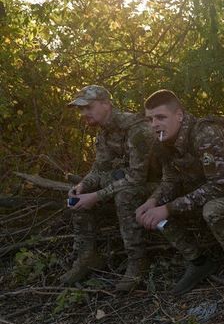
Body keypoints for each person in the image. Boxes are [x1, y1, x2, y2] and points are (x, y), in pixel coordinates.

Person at [136, 89, 224, 295]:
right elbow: (170, 179)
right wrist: (153, 202)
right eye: (150, 119)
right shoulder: (164, 141)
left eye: (160, 117)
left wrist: (168, 208)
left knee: (211, 209)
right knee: (153, 207)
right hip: (217, 195)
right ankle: (198, 261)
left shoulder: (205, 134)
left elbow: (218, 186)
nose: (154, 124)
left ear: (179, 115)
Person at [63, 85, 156, 292]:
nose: (84, 113)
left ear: (106, 104)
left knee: (125, 195)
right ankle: (87, 256)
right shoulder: (104, 133)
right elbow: (99, 169)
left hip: (159, 186)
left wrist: (96, 196)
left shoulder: (136, 128)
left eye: (88, 107)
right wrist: (82, 186)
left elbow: (137, 178)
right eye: (81, 109)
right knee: (78, 196)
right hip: (131, 182)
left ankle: (138, 261)